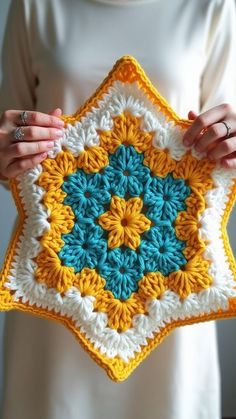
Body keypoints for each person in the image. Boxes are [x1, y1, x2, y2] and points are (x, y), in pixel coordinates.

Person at [0, 0, 236, 418]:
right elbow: (8, 138)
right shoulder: (35, 6)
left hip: (172, 291)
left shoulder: (214, 6)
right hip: (56, 288)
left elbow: (223, 154)